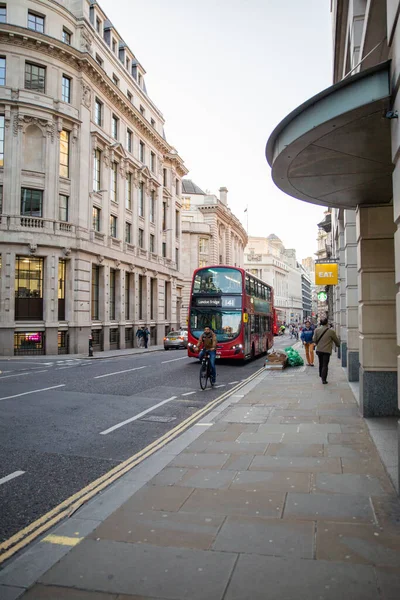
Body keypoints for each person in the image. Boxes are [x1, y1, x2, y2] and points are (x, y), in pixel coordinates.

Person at [313, 318, 340, 384]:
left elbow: (314, 339)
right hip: (327, 350)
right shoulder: (331, 331)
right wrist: (338, 345)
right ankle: (324, 379)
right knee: (325, 365)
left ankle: (321, 374)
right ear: (327, 323)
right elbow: (336, 340)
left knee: (320, 363)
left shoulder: (316, 330)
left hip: (319, 350)